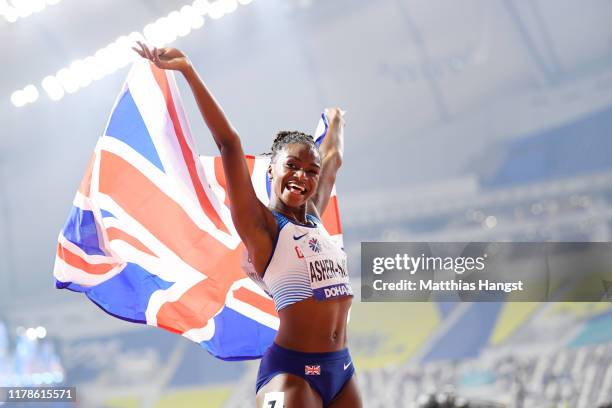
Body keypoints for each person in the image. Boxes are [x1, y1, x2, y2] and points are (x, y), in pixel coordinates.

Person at [133, 43, 362, 408]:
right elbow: (228, 142)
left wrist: (336, 121)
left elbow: (332, 159)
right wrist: (189, 71)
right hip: (293, 372)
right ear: (271, 167)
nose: (302, 177)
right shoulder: (262, 225)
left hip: (340, 367)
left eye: (310, 171)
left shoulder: (315, 216)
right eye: (292, 166)